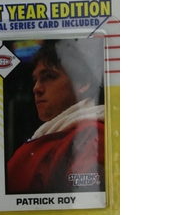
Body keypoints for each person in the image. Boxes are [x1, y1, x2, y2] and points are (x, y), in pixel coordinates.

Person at [6, 38, 105, 194]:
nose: (36, 88)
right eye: (35, 80)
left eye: (49, 77)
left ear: (83, 84)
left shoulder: (93, 134)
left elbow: (84, 203)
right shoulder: (55, 135)